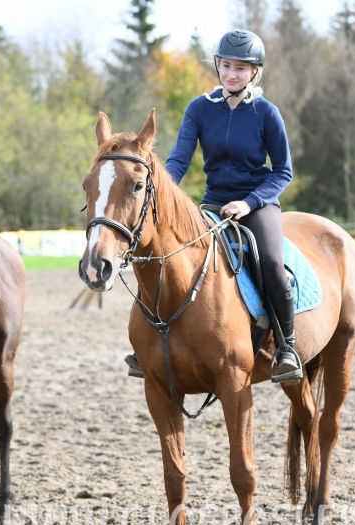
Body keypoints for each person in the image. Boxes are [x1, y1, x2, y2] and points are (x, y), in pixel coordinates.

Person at [125, 29, 302, 385]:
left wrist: (249, 201)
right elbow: (177, 160)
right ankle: (147, 344)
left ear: (254, 72)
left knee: (269, 262)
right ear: (217, 66)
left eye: (241, 67)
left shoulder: (267, 113)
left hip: (257, 204)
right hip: (213, 204)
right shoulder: (200, 109)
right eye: (226, 65)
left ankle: (287, 347)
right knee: (164, 256)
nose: (232, 73)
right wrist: (159, 190)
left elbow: (283, 171)